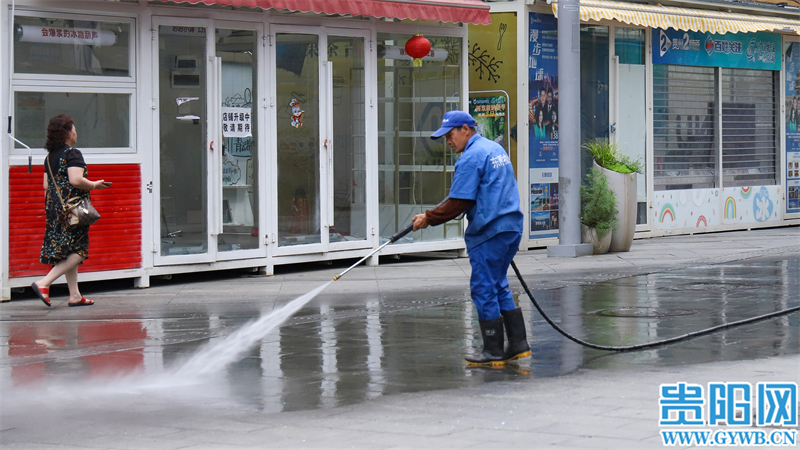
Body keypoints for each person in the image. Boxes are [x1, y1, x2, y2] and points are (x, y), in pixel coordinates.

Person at [412, 110, 529, 367]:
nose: (449, 142)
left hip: (489, 231)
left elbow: (459, 202)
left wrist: (428, 219)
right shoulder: (494, 149)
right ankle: (518, 345)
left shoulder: (471, 157)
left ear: (466, 129)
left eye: (450, 135)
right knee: (499, 284)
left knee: (483, 287)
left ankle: (493, 350)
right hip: (510, 227)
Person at [31, 115, 111, 307]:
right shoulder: (72, 153)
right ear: (67, 133)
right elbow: (76, 180)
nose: (76, 132)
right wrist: (94, 185)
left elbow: (45, 185)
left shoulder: (49, 157)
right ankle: (44, 283)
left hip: (55, 209)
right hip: (73, 209)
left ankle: (75, 295)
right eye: (74, 129)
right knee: (79, 251)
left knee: (68, 251)